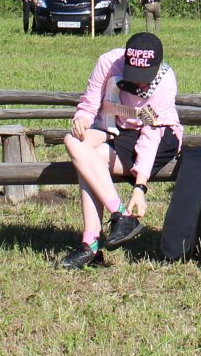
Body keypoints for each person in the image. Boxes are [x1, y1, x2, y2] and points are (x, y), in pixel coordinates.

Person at [58, 32, 184, 269]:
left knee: (87, 164)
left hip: (158, 137)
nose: (139, 83)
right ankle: (121, 215)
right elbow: (90, 102)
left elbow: (150, 133)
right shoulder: (108, 62)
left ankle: (90, 245)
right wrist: (82, 119)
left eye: (144, 77)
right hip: (118, 130)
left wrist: (140, 186)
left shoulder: (165, 81)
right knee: (73, 141)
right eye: (134, 75)